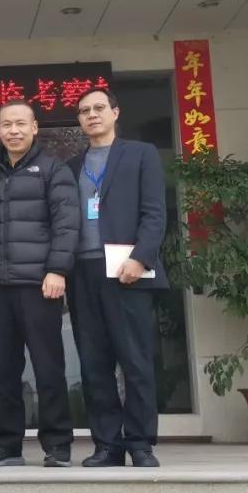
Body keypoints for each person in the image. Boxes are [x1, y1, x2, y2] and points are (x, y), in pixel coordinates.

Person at [0, 100, 80, 468]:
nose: (13, 131)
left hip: (39, 284)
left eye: (20, 123)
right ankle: (7, 445)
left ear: (35, 127)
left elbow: (67, 224)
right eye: (6, 124)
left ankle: (58, 444)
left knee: (48, 368)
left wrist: (58, 270)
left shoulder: (53, 170)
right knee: (1, 371)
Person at [68, 88, 168, 468]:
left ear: (115, 112)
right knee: (94, 363)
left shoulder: (141, 154)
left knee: (135, 360)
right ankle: (107, 445)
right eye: (84, 111)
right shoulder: (72, 165)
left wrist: (141, 257)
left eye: (98, 108)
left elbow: (155, 212)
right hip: (83, 271)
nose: (91, 115)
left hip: (128, 270)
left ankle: (140, 443)